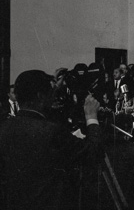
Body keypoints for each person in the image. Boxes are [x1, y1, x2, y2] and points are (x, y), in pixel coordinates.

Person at [0, 70, 102, 210]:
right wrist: (91, 117)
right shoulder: (51, 131)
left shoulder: (4, 128)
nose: (53, 98)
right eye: (51, 94)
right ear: (40, 96)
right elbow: (92, 153)